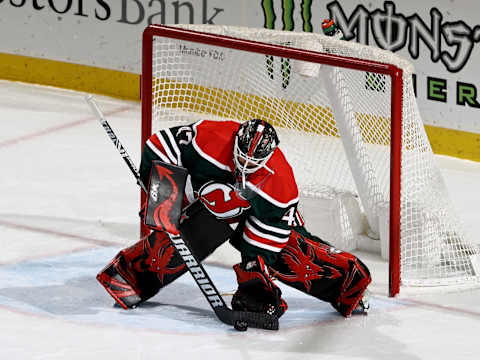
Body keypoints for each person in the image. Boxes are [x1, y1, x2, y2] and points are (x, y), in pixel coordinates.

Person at [97, 118, 371, 319]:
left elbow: (269, 235)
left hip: (263, 219)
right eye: (241, 155)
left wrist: (253, 270)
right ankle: (129, 277)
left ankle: (349, 284)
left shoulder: (280, 183)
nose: (244, 165)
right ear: (237, 137)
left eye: (254, 163)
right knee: (185, 238)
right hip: (209, 206)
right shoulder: (212, 137)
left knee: (294, 256)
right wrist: (164, 198)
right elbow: (161, 145)